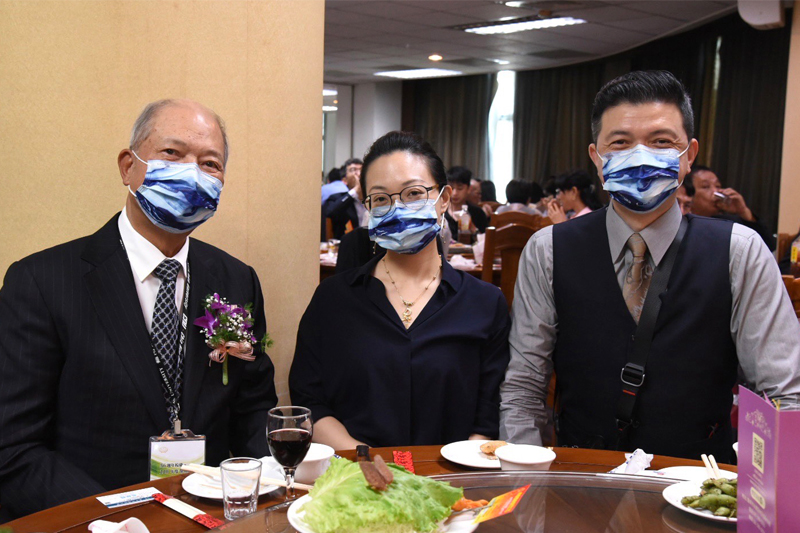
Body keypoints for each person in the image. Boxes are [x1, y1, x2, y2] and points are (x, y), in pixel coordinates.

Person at [500, 71, 800, 462]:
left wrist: (771, 500)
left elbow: (780, 393)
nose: (640, 157)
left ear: (688, 156)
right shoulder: (548, 250)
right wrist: (526, 477)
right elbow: (525, 385)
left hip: (698, 483)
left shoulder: (739, 252)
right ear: (597, 157)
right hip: (581, 477)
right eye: (620, 143)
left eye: (661, 142)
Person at [0, 99, 278, 518]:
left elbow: (252, 410)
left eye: (210, 164)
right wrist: (111, 517)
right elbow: (13, 446)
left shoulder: (236, 279)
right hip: (93, 518)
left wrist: (282, 482)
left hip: (212, 517)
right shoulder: (42, 281)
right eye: (172, 153)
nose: (193, 173)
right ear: (128, 166)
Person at [290, 131, 510, 449]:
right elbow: (310, 399)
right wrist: (366, 465)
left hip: (453, 482)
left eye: (413, 193)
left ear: (444, 199)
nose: (397, 209)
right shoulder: (333, 300)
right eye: (380, 199)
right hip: (358, 483)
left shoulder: (485, 304)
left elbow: (489, 415)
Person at [684, 165, 775, 250]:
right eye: (706, 187)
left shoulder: (728, 224)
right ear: (689, 194)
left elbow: (768, 246)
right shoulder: (682, 222)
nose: (716, 192)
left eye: (718, 186)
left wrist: (743, 211)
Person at [323, 158, 366, 238]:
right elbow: (330, 213)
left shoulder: (374, 197)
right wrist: (356, 191)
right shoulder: (337, 198)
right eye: (353, 170)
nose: (359, 174)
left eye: (361, 170)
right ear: (345, 180)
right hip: (348, 245)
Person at [444, 166, 489, 237]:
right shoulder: (441, 212)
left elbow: (485, 243)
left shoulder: (478, 213)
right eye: (451, 188)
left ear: (469, 189)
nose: (455, 193)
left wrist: (473, 228)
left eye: (460, 188)